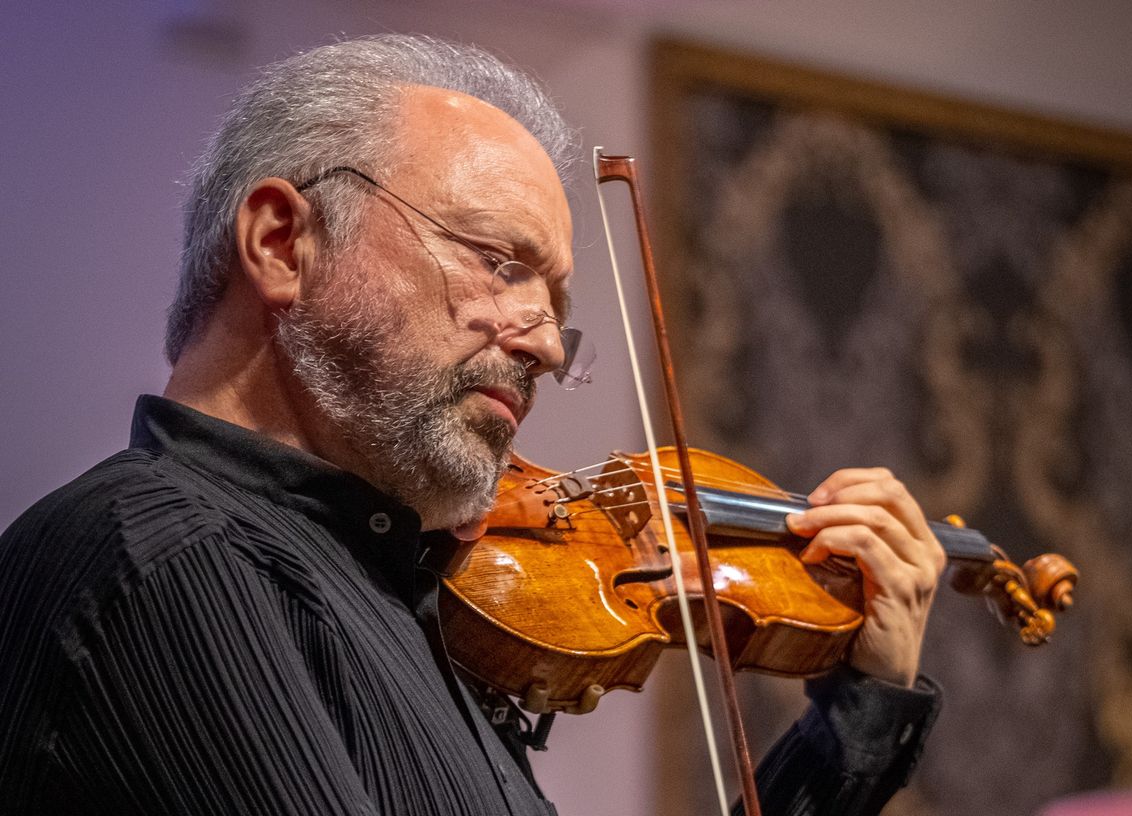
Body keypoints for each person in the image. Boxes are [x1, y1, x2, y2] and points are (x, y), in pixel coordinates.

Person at [0, 34, 945, 815]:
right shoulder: (158, 558)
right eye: (496, 261)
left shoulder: (405, 597)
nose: (542, 343)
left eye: (556, 301)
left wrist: (862, 710)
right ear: (284, 244)